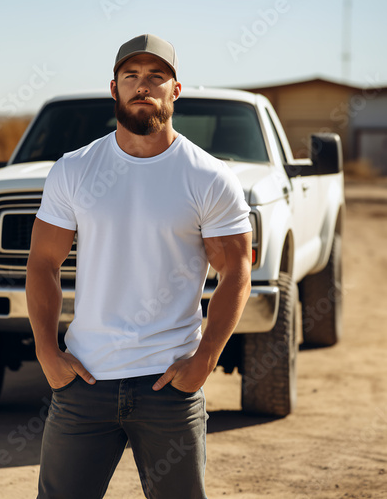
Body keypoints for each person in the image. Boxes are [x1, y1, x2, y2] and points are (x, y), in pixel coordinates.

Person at [26, 33, 252, 499]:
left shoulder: (208, 176)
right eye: (131, 76)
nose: (142, 86)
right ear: (114, 89)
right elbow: (43, 262)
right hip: (83, 383)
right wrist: (47, 352)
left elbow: (236, 271)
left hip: (169, 386)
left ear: (176, 89)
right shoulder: (74, 169)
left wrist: (205, 360)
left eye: (156, 76)